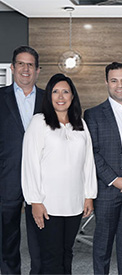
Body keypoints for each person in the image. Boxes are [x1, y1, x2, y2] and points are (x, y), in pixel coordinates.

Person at [21, 73, 97, 274]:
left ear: (73, 97)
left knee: (67, 253)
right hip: (47, 205)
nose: (61, 96)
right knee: (50, 258)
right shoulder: (39, 122)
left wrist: (89, 195)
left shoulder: (81, 124)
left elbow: (88, 162)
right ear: (49, 96)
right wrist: (34, 201)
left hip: (73, 204)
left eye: (65, 92)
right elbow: (30, 163)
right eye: (55, 91)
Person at [84, 62, 122, 275]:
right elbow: (92, 152)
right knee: (102, 248)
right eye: (114, 80)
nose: (119, 85)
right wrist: (114, 179)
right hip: (108, 189)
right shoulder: (92, 114)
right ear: (106, 82)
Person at [0, 45, 44, 274]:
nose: (25, 69)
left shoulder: (50, 100)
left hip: (42, 181)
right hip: (7, 179)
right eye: (21, 64)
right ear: (13, 67)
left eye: (30, 65)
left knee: (41, 238)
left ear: (37, 70)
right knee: (7, 239)